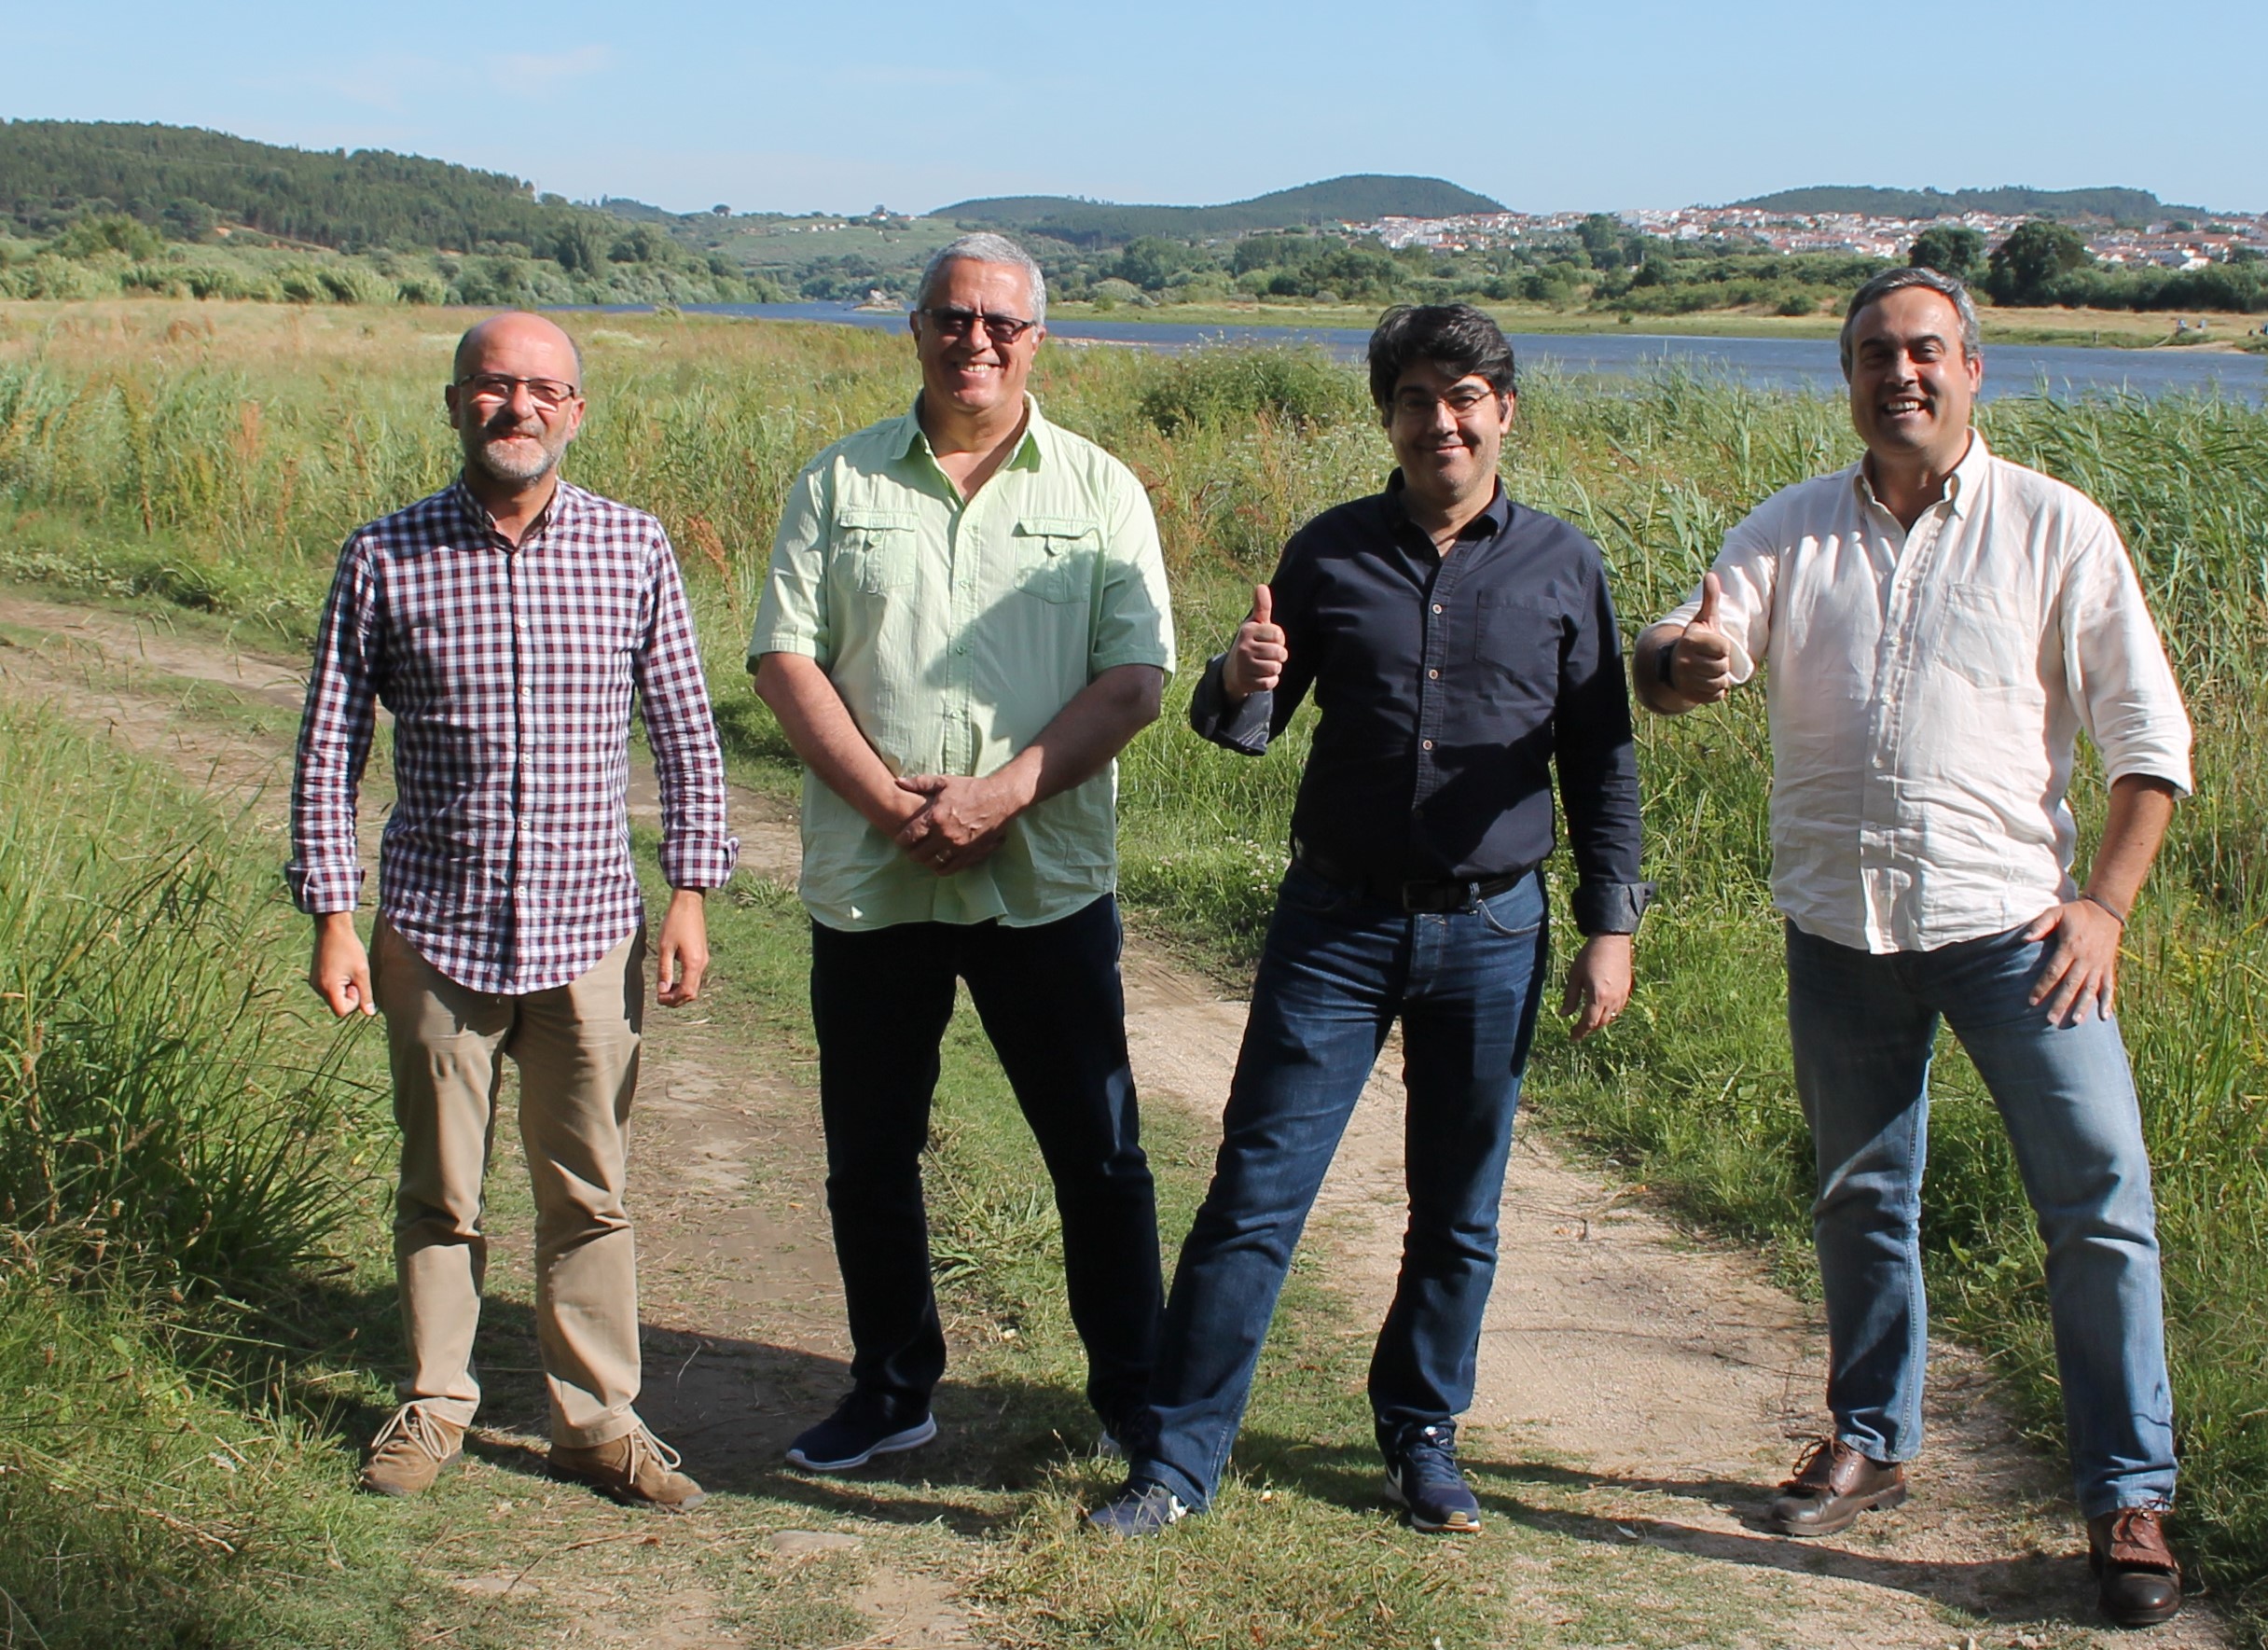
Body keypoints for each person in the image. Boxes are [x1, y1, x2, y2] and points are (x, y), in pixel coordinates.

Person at [1634, 266, 2193, 1627]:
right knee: (1858, 1194)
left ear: (1970, 368)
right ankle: (1871, 1437)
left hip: (2019, 932)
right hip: (1841, 926)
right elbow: (1689, 640)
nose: (1901, 374)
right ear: (1847, 376)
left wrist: (2105, 905)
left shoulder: (2054, 527)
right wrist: (1677, 659)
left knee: (2098, 1199)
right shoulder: (1789, 529)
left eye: (1926, 350)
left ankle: (2126, 1496)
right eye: (1875, 353)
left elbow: (2147, 739)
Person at [1089, 303, 1647, 1539]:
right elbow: (1239, 721)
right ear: (1386, 417)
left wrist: (1609, 926)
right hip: (1335, 926)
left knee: (1456, 1208)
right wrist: (1236, 675)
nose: (1438, 421)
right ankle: (1175, 1462)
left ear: (1503, 411)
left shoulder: (1562, 565)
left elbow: (1601, 757)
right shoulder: (1330, 550)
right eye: (1413, 399)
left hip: (1493, 932)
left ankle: (1421, 1438)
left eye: (1463, 397)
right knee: (1255, 1190)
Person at [289, 312, 736, 1511]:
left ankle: (596, 1422)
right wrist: (335, 913)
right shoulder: (383, 554)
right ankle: (436, 1401)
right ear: (456, 404)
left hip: (589, 927)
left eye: (543, 388)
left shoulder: (632, 546)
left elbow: (687, 733)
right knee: (439, 1186)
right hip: (434, 926)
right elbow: (329, 747)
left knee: (587, 1189)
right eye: (493, 385)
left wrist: (690, 891)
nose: (518, 407)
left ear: (575, 411)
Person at [749, 233, 1175, 1473]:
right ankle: (890, 1390)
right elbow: (785, 661)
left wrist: (993, 799)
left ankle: (1135, 1397)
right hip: (872, 882)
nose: (973, 340)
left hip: (1043, 883)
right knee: (870, 1154)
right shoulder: (837, 483)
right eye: (950, 316)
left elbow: (1134, 680)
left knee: (1098, 1153)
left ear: (1038, 339)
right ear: (916, 329)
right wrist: (895, 808)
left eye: (1000, 322)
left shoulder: (1098, 490)